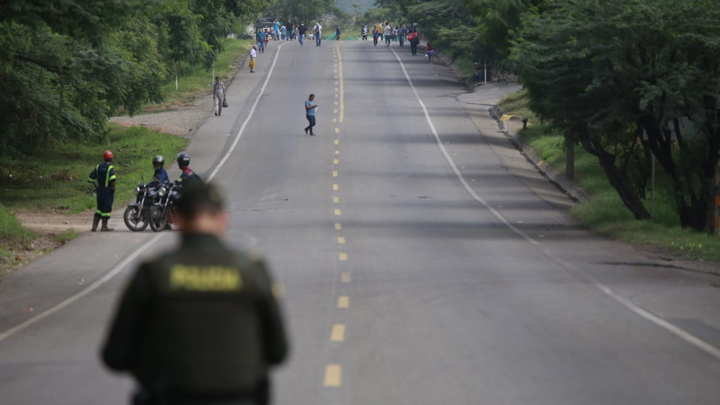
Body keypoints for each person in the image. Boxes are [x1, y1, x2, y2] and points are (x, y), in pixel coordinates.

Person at [101, 181, 289, 405]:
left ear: (177, 219)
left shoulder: (153, 273)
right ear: (223, 218)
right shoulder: (251, 270)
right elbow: (278, 351)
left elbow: (116, 355)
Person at [88, 150, 117, 232]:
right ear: (111, 159)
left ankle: (94, 226)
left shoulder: (98, 167)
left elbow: (90, 178)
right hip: (107, 190)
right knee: (107, 208)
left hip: (100, 190)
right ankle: (104, 226)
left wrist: (96, 186)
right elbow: (112, 179)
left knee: (99, 208)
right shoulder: (110, 168)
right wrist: (114, 188)